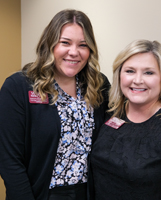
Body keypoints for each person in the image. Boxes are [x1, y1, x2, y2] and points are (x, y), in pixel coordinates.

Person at [0, 9, 110, 200]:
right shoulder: (18, 87)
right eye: (65, 43)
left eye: (83, 45)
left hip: (89, 193)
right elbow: (9, 160)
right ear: (49, 44)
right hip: (40, 194)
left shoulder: (98, 85)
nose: (73, 52)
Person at [90, 39, 161, 200]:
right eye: (130, 71)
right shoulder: (112, 113)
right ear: (119, 75)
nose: (138, 80)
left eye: (148, 72)